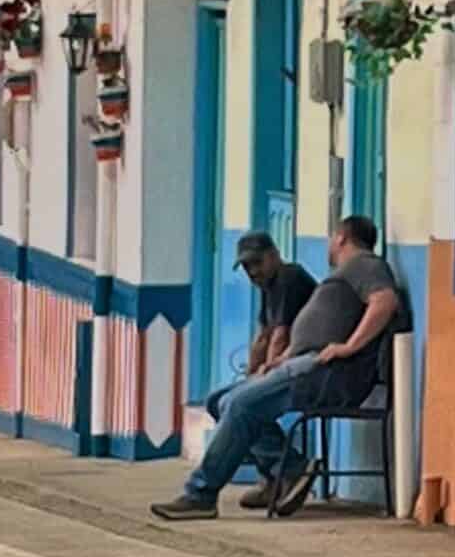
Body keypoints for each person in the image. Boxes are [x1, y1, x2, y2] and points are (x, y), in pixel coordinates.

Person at [153, 215, 404, 522]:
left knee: (240, 404)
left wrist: (349, 346)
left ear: (341, 238)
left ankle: (201, 494)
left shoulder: (364, 264)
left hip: (325, 371)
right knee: (220, 400)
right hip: (302, 364)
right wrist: (281, 359)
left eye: (330, 238)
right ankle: (288, 471)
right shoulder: (343, 273)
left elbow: (385, 300)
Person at [204, 232, 320, 511]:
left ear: (274, 255)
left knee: (242, 404)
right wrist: (251, 374)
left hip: (304, 370)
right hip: (285, 368)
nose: (252, 272)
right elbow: (263, 335)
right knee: (220, 402)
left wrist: (261, 379)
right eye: (246, 267)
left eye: (256, 263)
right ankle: (279, 473)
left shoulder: (289, 278)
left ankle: (285, 470)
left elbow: (281, 335)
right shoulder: (268, 288)